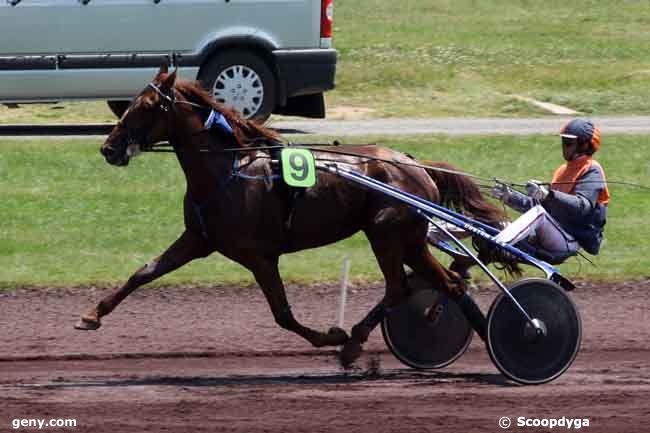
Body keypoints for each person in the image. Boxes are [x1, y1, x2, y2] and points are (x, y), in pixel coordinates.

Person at [489, 118, 610, 262]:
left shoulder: (592, 169)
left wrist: (548, 195)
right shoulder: (562, 171)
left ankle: (499, 245)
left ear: (584, 145)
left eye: (568, 143)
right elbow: (542, 206)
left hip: (570, 241)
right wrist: (509, 197)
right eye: (563, 142)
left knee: (539, 214)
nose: (564, 147)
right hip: (554, 232)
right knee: (495, 222)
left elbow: (583, 206)